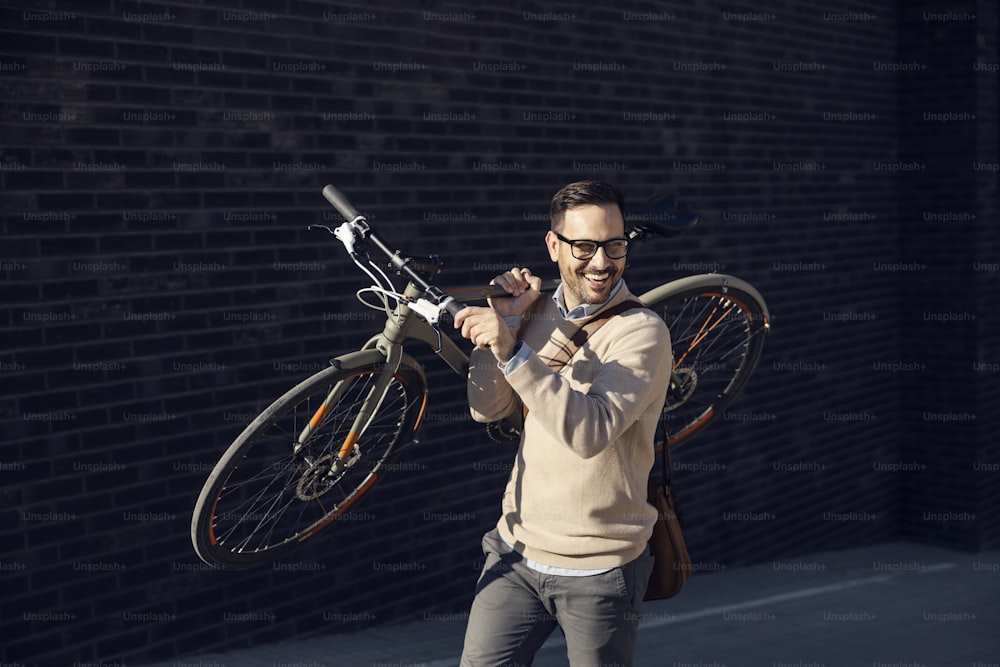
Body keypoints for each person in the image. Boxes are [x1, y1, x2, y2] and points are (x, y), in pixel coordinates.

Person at [453, 180, 673, 666]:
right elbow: (485, 408)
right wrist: (506, 328)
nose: (601, 262)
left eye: (614, 245)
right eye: (584, 246)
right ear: (554, 246)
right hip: (515, 550)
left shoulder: (641, 331)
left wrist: (514, 352)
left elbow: (590, 432)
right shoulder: (539, 310)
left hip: (601, 568)